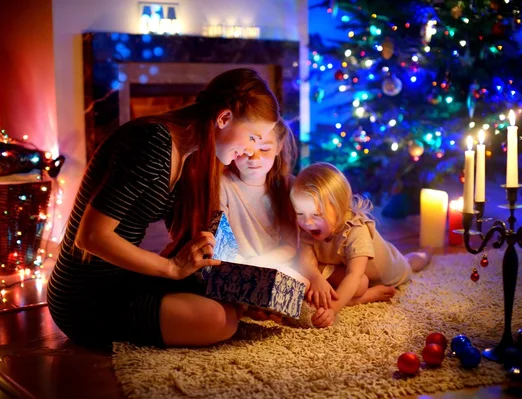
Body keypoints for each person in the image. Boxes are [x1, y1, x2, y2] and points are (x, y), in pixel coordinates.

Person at [47, 68, 282, 348]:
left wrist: (242, 287)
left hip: (123, 276)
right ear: (223, 118)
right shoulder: (152, 142)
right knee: (218, 321)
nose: (251, 151)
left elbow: (190, 237)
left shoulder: (190, 153)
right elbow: (90, 237)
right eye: (253, 137)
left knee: (231, 310)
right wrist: (171, 268)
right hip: (87, 295)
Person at [290, 162, 432, 328]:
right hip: (355, 274)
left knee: (410, 263)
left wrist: (333, 309)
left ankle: (427, 252)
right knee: (314, 272)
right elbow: (306, 260)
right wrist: (315, 278)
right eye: (300, 213)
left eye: (316, 214)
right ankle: (362, 294)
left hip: (389, 270)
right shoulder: (309, 229)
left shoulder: (356, 230)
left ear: (340, 207)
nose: (307, 221)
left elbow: (353, 275)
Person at [219, 118, 298, 268]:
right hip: (235, 268)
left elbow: (290, 246)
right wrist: (245, 268)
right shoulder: (222, 185)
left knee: (304, 284)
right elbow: (221, 244)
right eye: (246, 149)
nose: (254, 159)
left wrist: (257, 264)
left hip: (275, 266)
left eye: (264, 149)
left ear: (279, 147)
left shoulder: (288, 187)